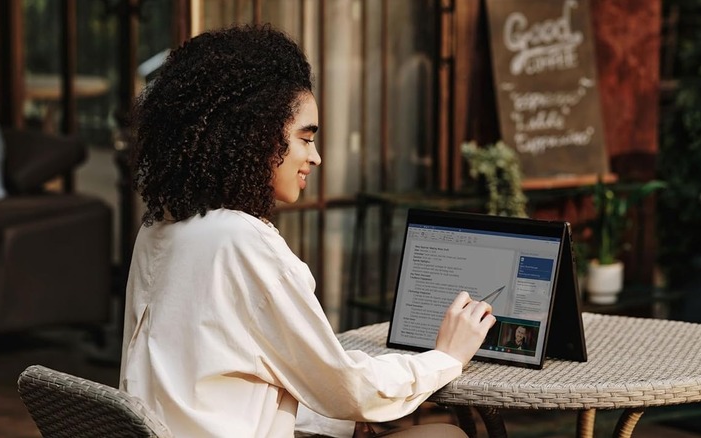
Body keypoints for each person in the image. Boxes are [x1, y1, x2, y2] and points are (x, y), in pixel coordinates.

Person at [119, 23, 496, 438]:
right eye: (305, 138)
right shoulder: (240, 240)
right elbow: (347, 387)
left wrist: (338, 422)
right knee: (447, 435)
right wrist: (446, 357)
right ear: (256, 137)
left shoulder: (159, 230)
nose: (315, 157)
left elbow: (219, 385)